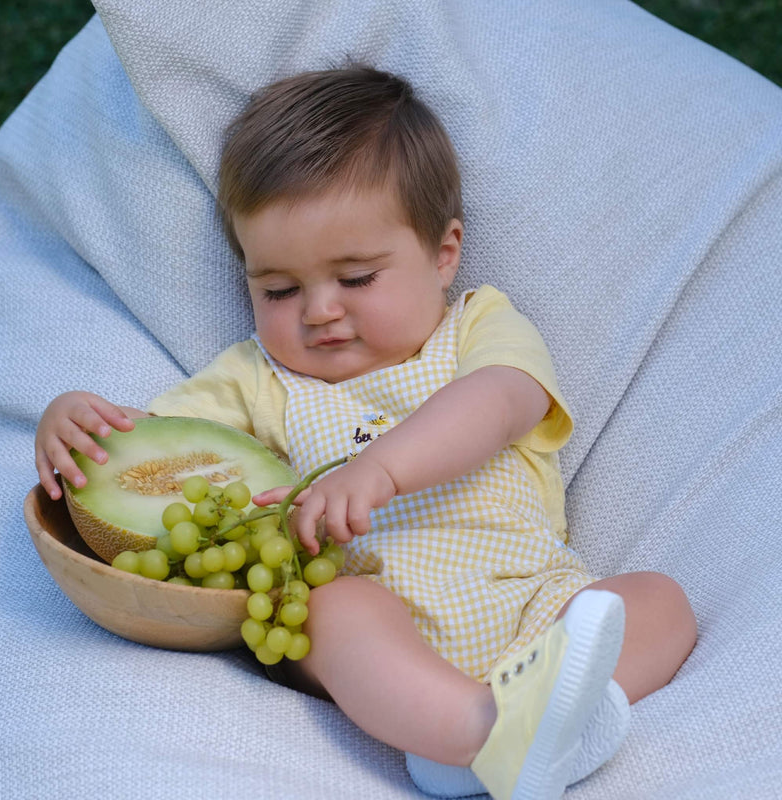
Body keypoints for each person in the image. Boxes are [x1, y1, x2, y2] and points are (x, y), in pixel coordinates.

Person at [35, 66, 697, 800]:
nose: (318, 311)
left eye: (355, 278)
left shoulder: (477, 327)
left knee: (658, 601)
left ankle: (539, 728)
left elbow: (503, 399)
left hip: (535, 605)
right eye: (278, 290)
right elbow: (159, 450)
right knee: (333, 614)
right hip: (379, 616)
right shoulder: (257, 379)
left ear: (444, 255)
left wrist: (380, 470)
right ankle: (475, 729)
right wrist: (79, 419)